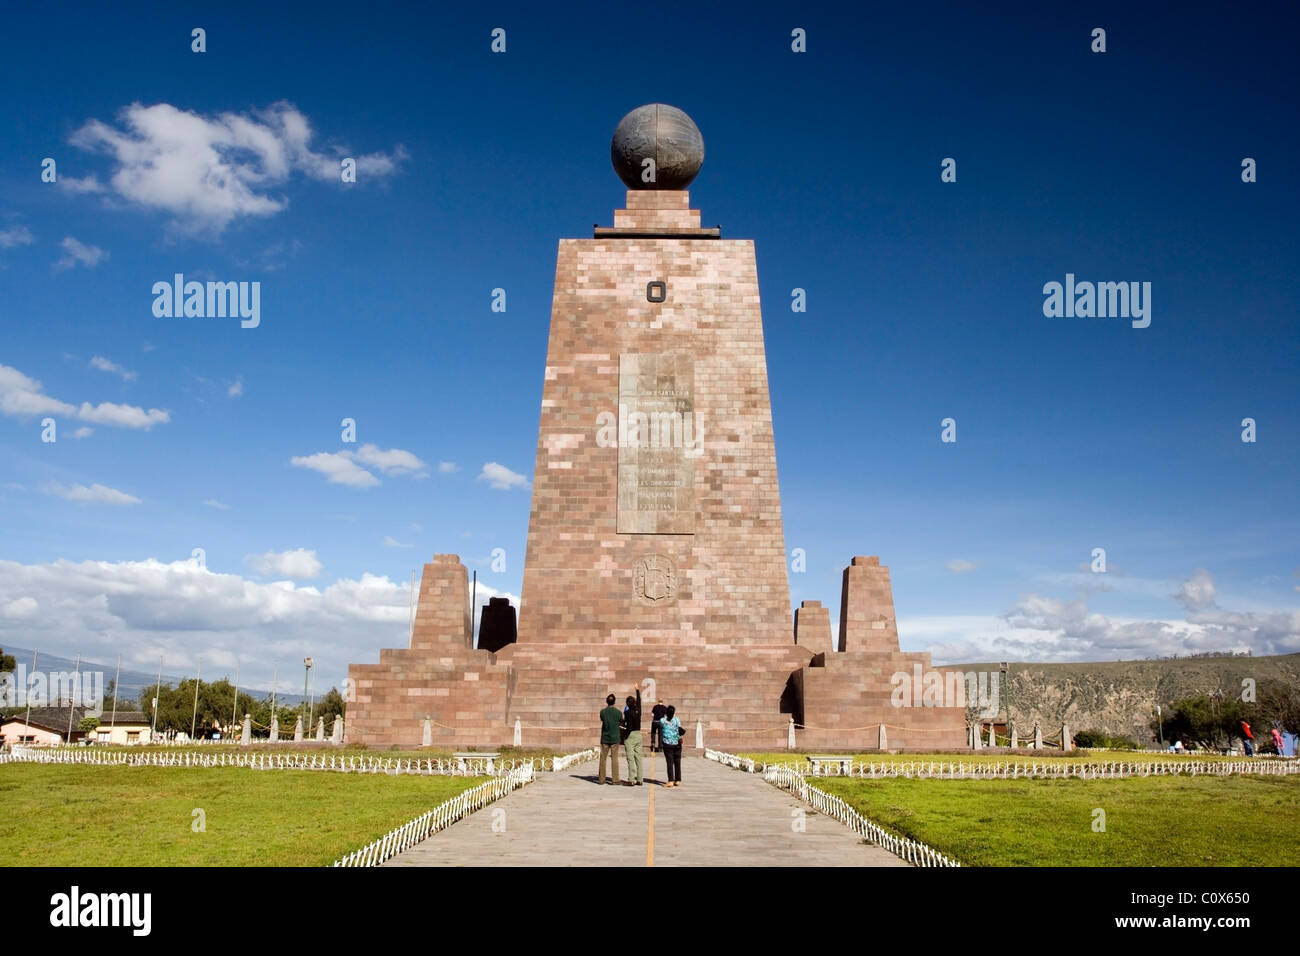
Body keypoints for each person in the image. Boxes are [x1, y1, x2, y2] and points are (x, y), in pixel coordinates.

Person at [598, 693, 622, 784]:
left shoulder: (602, 712)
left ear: (606, 701)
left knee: (603, 758)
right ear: (614, 702)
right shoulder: (618, 712)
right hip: (615, 737)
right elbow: (621, 720)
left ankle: (601, 779)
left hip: (605, 737)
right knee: (614, 758)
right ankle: (615, 779)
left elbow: (602, 719)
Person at [621, 687, 643, 785]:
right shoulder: (638, 710)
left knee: (630, 758)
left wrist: (625, 736)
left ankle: (631, 779)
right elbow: (639, 700)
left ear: (627, 704)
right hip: (638, 734)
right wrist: (637, 690)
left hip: (631, 735)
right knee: (638, 757)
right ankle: (640, 779)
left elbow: (629, 726)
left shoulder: (628, 712)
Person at [659, 704, 684, 788]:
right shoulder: (677, 720)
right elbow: (680, 730)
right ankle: (677, 780)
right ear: (674, 713)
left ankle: (670, 781)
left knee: (670, 762)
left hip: (667, 744)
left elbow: (661, 725)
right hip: (677, 743)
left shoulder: (662, 720)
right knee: (677, 762)